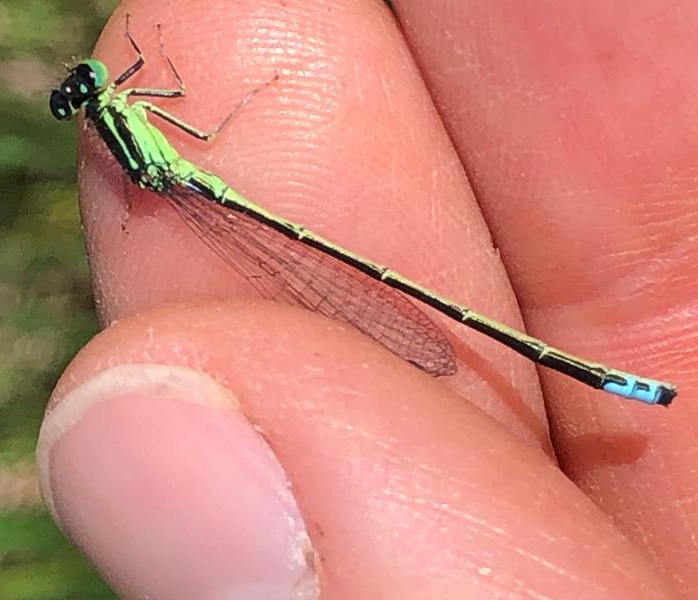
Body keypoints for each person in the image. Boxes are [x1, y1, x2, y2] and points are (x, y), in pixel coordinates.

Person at [37, 0, 695, 597]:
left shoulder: (117, 125)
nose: (94, 76)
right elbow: (186, 109)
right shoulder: (129, 109)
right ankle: (613, 384)